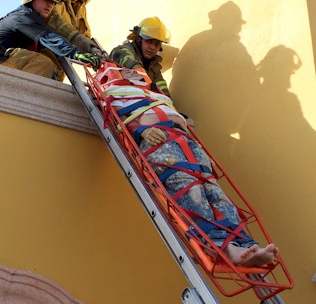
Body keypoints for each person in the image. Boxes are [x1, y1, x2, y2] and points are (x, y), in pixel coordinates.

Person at [96, 63, 278, 267]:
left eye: (132, 70)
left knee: (215, 191)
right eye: (124, 70)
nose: (131, 72)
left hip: (186, 142)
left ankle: (244, 243)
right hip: (158, 141)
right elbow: (116, 121)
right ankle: (222, 246)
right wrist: (141, 131)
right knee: (189, 188)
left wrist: (198, 146)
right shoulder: (113, 93)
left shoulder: (155, 95)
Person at [0, 0, 104, 80]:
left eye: (53, 2)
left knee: (51, 67)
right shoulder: (23, 16)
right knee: (43, 63)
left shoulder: (36, 20)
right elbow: (49, 38)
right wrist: (75, 53)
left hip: (3, 59)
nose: (50, 6)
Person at [109, 17, 173, 97]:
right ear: (139, 40)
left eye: (156, 44)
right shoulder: (124, 51)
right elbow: (127, 60)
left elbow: (164, 93)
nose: (152, 47)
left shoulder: (154, 68)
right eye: (149, 41)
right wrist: (139, 71)